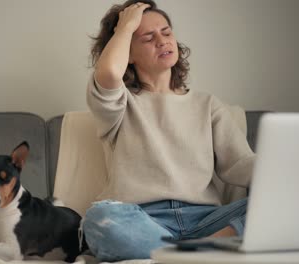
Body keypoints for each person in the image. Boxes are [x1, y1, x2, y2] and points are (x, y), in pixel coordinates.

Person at [83, 0, 256, 261]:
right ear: (128, 53)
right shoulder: (120, 103)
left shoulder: (208, 105)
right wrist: (125, 26)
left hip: (207, 222)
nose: (162, 41)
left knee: (274, 207)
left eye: (166, 32)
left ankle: (181, 254)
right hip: (144, 220)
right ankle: (191, 255)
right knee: (99, 219)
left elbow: (241, 164)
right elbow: (108, 72)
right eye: (148, 37)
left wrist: (289, 177)